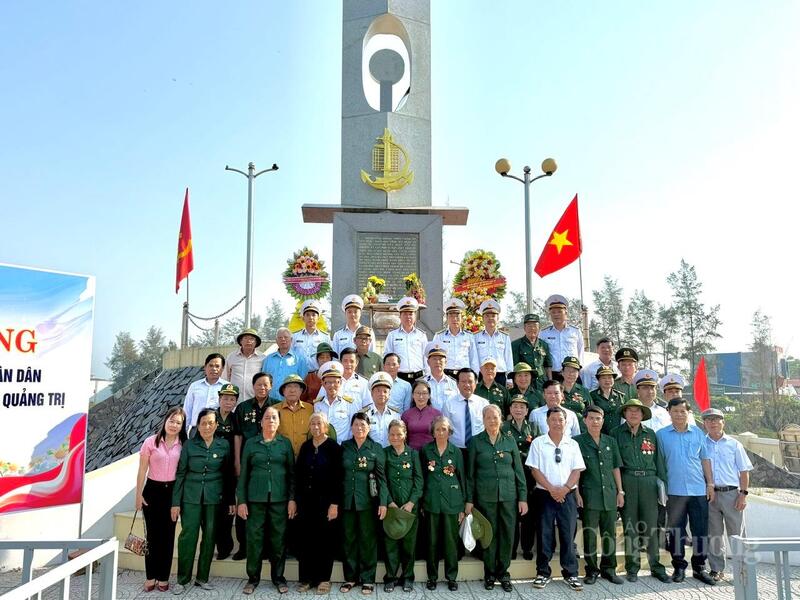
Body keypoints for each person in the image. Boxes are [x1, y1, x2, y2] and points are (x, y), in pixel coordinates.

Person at [171, 408, 235, 594]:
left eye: (211, 423)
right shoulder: (189, 445)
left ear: (216, 425)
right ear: (198, 426)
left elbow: (228, 474)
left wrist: (230, 499)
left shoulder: (224, 445)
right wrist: (175, 503)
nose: (207, 427)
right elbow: (181, 473)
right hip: (190, 498)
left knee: (209, 537)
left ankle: (202, 578)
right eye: (203, 423)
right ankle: (182, 579)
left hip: (214, 498)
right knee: (188, 537)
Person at [466, 404, 528, 592]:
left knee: (507, 534)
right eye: (488, 417)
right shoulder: (476, 442)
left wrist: (523, 498)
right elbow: (470, 475)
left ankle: (504, 573)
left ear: (501, 419)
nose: (492, 421)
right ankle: (490, 573)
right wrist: (469, 500)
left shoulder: (509, 441)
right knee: (489, 534)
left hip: (509, 496)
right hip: (485, 496)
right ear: (483, 420)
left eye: (495, 417)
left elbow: (519, 471)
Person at [656, 398, 716, 585]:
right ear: (669, 412)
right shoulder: (661, 435)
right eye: (675, 411)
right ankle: (679, 567)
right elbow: (659, 463)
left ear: (688, 413)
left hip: (698, 490)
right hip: (674, 491)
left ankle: (699, 567)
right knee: (676, 531)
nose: (679, 414)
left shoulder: (698, 433)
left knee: (700, 530)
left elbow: (705, 459)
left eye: (683, 411)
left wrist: (710, 484)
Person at [610, 399, 670, 583]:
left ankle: (656, 566)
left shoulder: (651, 434)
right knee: (630, 527)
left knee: (651, 526)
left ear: (643, 414)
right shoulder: (615, 434)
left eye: (637, 411)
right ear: (624, 414)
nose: (633, 414)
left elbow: (658, 460)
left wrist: (663, 486)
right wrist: (618, 490)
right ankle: (632, 568)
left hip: (649, 481)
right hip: (627, 480)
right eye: (630, 410)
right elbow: (614, 464)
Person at [526, 407, 585, 591]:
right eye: (553, 419)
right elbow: (534, 469)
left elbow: (577, 470)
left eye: (561, 420)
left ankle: (571, 573)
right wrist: (552, 489)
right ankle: (543, 573)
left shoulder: (572, 444)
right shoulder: (538, 443)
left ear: (566, 422)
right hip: (544, 494)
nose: (557, 423)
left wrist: (565, 489)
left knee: (568, 534)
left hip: (567, 495)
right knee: (545, 534)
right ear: (547, 421)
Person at [238, 407, 296, 594]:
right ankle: (253, 579)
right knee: (254, 540)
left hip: (280, 499)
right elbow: (244, 474)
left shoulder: (285, 444)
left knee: (278, 540)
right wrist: (241, 501)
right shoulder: (251, 444)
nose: (271, 420)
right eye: (267, 417)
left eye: (274, 418)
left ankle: (278, 578)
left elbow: (292, 474)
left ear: (278, 423)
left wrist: (292, 499)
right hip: (255, 499)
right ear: (261, 422)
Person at [136, 407, 187, 592]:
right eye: (171, 420)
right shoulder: (150, 442)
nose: (174, 425)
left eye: (178, 422)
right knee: (152, 536)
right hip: (152, 491)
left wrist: (178, 501)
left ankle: (163, 577)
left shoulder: (184, 445)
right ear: (165, 420)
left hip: (172, 492)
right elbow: (142, 469)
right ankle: (151, 576)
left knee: (167, 537)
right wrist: (138, 494)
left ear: (182, 426)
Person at [573, 405, 625, 585]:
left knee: (609, 534)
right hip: (589, 494)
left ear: (603, 421)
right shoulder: (577, 442)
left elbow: (615, 467)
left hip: (609, 494)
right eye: (591, 418)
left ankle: (609, 569)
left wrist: (620, 491)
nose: (595, 422)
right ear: (585, 420)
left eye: (598, 418)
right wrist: (577, 492)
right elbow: (575, 470)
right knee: (589, 534)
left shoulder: (610, 441)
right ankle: (592, 570)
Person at [339, 413, 389, 595]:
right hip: (347, 501)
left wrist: (383, 503)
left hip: (368, 502)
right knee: (349, 539)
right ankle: (350, 577)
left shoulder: (376, 448)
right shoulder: (345, 447)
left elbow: (382, 479)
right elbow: (338, 475)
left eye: (363, 425)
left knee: (368, 540)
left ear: (369, 428)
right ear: (351, 427)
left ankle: (367, 578)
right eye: (356, 425)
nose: (359, 428)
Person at [703, 408, 753, 582]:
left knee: (737, 534)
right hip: (710, 495)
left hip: (732, 494)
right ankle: (716, 569)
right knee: (714, 534)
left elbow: (744, 471)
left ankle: (743, 570)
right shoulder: (701, 444)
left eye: (716, 419)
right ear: (704, 423)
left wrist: (743, 494)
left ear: (723, 422)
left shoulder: (734, 444)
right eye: (709, 420)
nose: (713, 423)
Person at [295, 412, 343, 594]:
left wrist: (335, 503)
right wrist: (295, 500)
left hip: (327, 502)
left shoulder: (334, 448)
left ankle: (324, 578)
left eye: (319, 423)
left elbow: (339, 478)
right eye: (312, 424)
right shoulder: (305, 447)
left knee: (325, 540)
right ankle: (306, 578)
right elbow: (298, 475)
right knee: (306, 540)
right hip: (306, 501)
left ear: (326, 427)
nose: (315, 427)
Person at [420, 415, 465, 591]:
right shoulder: (426, 450)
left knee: (451, 542)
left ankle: (451, 577)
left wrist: (462, 506)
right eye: (437, 429)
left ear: (449, 432)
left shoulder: (456, 452)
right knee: (431, 541)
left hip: (452, 503)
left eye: (444, 429)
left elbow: (462, 479)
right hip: (431, 502)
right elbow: (422, 478)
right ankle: (432, 577)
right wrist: (422, 502)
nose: (440, 432)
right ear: (433, 432)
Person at [231, 372, 273, 560]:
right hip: (247, 462)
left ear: (271, 386)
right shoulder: (243, 407)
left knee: (267, 505)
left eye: (265, 385)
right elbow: (238, 436)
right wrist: (237, 461)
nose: (262, 388)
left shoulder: (276, 406)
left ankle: (266, 548)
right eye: (258, 384)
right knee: (244, 502)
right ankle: (243, 546)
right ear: (253, 386)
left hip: (267, 464)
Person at [382, 419, 423, 592]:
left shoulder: (413, 454)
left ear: (405, 434)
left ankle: (407, 578)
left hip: (409, 508)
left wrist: (411, 502)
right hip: (391, 507)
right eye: (392, 434)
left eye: (399, 434)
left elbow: (419, 481)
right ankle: (390, 577)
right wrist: (389, 501)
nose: (395, 437)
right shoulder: (384, 453)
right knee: (390, 544)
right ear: (388, 436)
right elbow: (381, 480)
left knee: (409, 544)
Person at [502, 395, 538, 561]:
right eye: (515, 406)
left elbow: (538, 450)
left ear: (527, 410)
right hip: (509, 474)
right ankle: (511, 548)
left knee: (529, 515)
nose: (518, 410)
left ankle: (527, 547)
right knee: (512, 515)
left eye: (522, 407)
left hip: (529, 475)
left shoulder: (533, 427)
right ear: (510, 409)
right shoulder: (503, 427)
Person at [213, 384, 239, 560]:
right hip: (211, 467)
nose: (228, 402)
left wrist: (237, 462)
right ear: (219, 398)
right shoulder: (211, 416)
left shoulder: (236, 418)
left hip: (228, 467)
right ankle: (213, 543)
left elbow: (238, 439)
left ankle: (225, 546)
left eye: (232, 399)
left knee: (228, 507)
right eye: (225, 398)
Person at [442, 368, 489, 453]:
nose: (467, 385)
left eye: (470, 381)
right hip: (456, 449)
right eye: (463, 381)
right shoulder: (448, 404)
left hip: (479, 449)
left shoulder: (484, 403)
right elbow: (445, 429)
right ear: (457, 384)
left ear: (476, 383)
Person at [314, 360, 361, 443]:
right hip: (323, 446)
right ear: (323, 384)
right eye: (328, 382)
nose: (332, 385)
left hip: (343, 447)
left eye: (336, 382)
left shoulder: (349, 403)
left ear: (341, 383)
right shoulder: (318, 404)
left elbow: (354, 427)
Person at [383, 296, 428, 383]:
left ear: (415, 316)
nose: (408, 317)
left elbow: (426, 357)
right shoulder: (392, 335)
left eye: (411, 314)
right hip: (400, 378)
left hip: (419, 378)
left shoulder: (421, 335)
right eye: (405, 314)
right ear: (400, 316)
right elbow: (387, 356)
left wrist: (427, 376)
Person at [539, 294, 584, 380]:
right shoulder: (544, 333)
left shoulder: (575, 331)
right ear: (550, 315)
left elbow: (580, 353)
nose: (556, 315)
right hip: (552, 375)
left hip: (572, 374)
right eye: (553, 312)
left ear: (566, 313)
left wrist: (579, 372)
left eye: (559, 312)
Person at [183, 353, 229, 434]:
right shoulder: (194, 386)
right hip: (196, 430)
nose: (214, 369)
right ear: (205, 367)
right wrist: (184, 432)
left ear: (222, 369)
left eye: (217, 366)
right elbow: (187, 409)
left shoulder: (227, 387)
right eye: (211, 365)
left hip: (218, 430)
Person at [432, 297, 478, 377]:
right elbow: (435, 358)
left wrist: (475, 377)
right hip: (446, 375)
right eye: (451, 316)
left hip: (465, 375)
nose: (454, 319)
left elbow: (474, 359)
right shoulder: (439, 336)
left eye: (457, 316)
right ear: (447, 318)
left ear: (462, 318)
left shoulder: (469, 336)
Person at [473, 299, 513, 385]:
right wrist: (474, 377)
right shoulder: (475, 337)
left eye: (493, 316)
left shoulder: (505, 337)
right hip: (481, 375)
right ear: (482, 319)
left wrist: (509, 379)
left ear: (498, 318)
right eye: (487, 316)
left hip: (500, 375)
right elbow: (474, 359)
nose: (490, 318)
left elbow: (508, 359)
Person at [263, 327, 308, 403]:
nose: (283, 339)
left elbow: (303, 381)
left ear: (291, 340)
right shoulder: (268, 359)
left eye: (286, 337)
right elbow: (263, 380)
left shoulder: (300, 359)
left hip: (291, 402)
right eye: (280, 338)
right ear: (276, 341)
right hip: (270, 401)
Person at [275, 374, 314, 456]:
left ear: (301, 390)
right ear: (283, 391)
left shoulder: (310, 409)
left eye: (296, 386)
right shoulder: (274, 410)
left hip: (305, 457)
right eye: (289, 386)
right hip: (282, 457)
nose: (292, 390)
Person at [511, 313, 552, 386]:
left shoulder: (544, 344)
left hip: (541, 383)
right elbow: (514, 367)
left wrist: (550, 382)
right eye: (529, 326)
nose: (532, 328)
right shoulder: (516, 345)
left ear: (539, 328)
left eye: (535, 326)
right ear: (524, 328)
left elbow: (548, 366)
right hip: (525, 383)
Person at [225, 328, 265, 402]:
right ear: (241, 341)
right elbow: (225, 377)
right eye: (245, 338)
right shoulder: (231, 357)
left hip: (254, 400)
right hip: (234, 400)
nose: (248, 341)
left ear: (256, 342)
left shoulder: (262, 358)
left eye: (252, 339)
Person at [401, 378, 442, 451]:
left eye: (424, 393)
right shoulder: (406, 415)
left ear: (429, 395)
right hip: (411, 454)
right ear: (413, 395)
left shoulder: (437, 415)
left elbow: (441, 437)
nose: (421, 397)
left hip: (431, 453)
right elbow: (403, 438)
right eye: (418, 393)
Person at [292, 299, 331, 373]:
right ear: (303, 318)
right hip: (298, 374)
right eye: (307, 315)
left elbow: (329, 358)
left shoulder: (325, 337)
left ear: (318, 318)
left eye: (313, 315)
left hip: (317, 374)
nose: (311, 317)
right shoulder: (295, 336)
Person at [364, 371, 401, 447]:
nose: (382, 394)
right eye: (378, 391)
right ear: (372, 393)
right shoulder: (364, 414)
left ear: (389, 394)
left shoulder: (395, 415)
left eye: (385, 391)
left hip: (390, 453)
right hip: (370, 453)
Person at [422, 342, 459, 410]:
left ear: (446, 362)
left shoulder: (454, 384)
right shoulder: (422, 383)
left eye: (440, 359)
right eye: (434, 359)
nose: (437, 362)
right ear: (428, 362)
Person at [589, 365, 624, 434]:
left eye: (610, 377)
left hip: (617, 433)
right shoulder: (592, 395)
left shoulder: (620, 396)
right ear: (598, 380)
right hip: (599, 433)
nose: (607, 380)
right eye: (603, 378)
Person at [560, 356, 591, 431]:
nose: (571, 374)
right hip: (560, 429)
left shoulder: (584, 391)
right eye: (568, 370)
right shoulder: (556, 389)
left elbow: (591, 410)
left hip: (581, 429)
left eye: (574, 371)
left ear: (578, 374)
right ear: (562, 372)